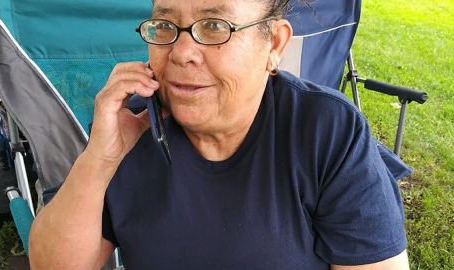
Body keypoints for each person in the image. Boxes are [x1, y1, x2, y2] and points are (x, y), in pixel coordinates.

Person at [29, 0, 410, 269]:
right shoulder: (128, 129)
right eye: (165, 25)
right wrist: (99, 160)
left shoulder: (325, 132)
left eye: (214, 26)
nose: (181, 53)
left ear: (274, 44)